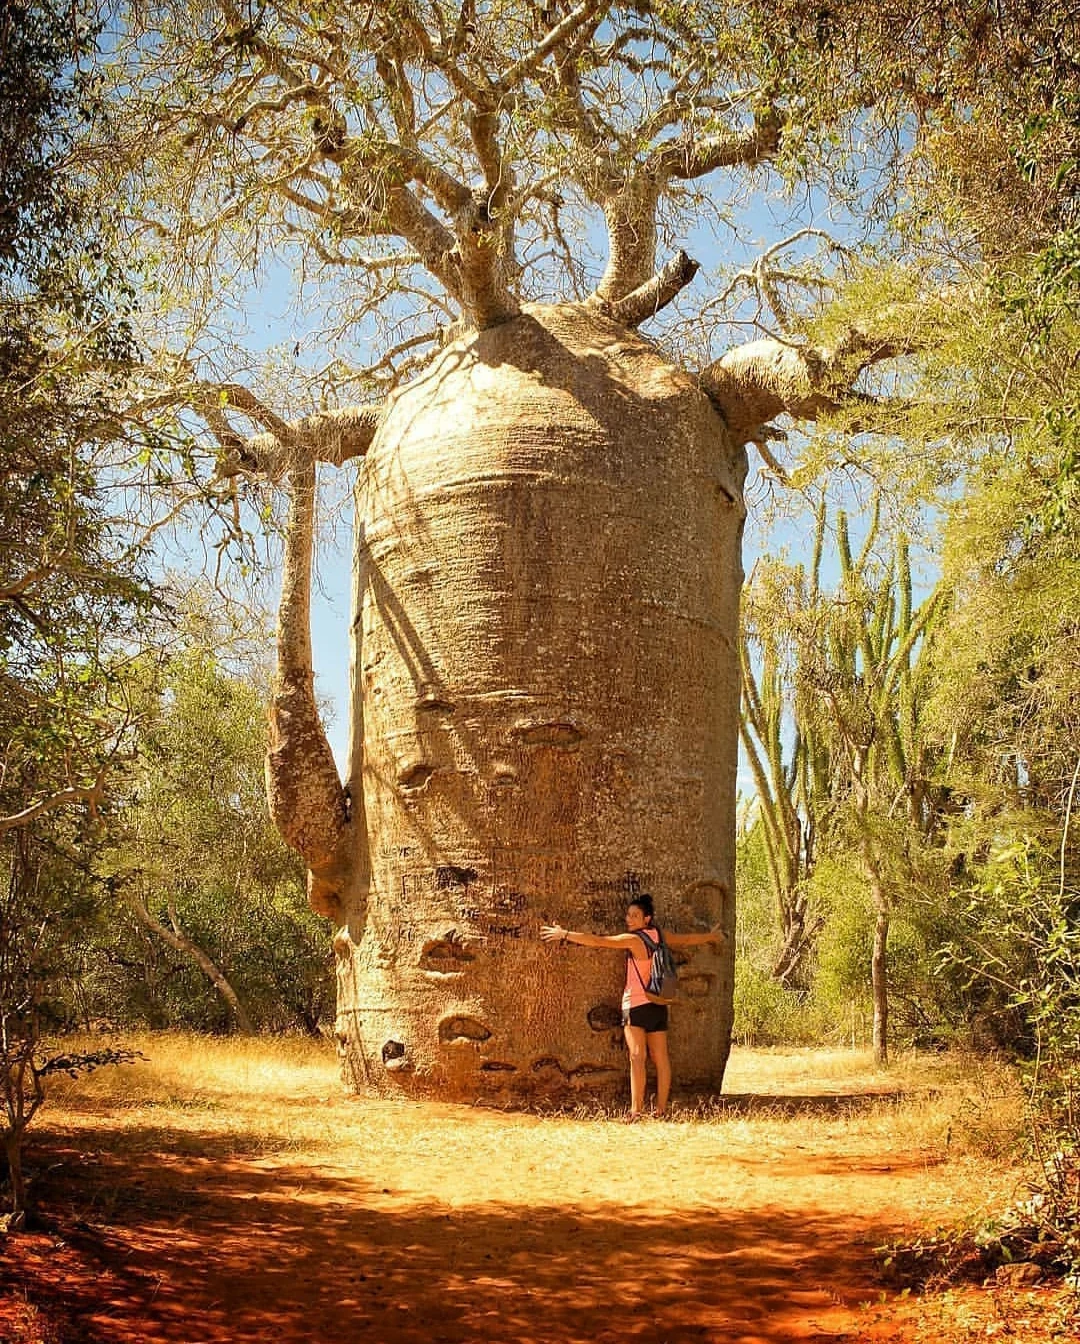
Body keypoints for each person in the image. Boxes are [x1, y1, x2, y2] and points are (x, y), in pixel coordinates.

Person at [540, 895, 725, 1120]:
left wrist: (565, 935)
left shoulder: (633, 940)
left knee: (637, 1056)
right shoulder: (660, 936)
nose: (629, 919)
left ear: (647, 918)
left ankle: (636, 1111)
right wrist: (712, 936)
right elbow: (685, 940)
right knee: (661, 1058)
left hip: (636, 1004)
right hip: (658, 1002)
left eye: (635, 916)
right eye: (628, 915)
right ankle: (661, 1110)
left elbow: (600, 941)